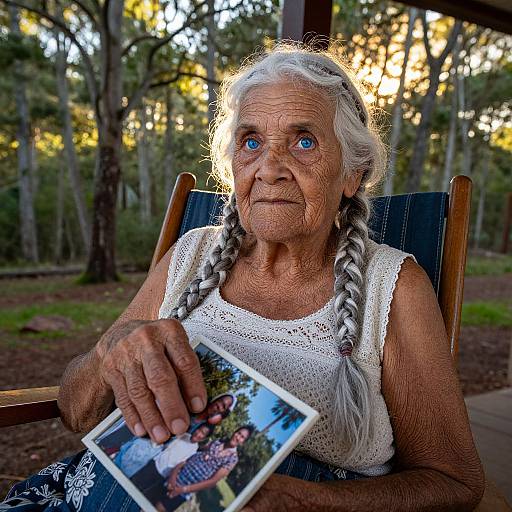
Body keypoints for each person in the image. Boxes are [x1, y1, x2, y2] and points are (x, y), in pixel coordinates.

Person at [3, 43, 484, 511]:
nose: (270, 169)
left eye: (303, 141)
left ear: (351, 174)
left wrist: (309, 502)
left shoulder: (391, 287)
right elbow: (76, 409)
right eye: (251, 142)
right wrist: (112, 349)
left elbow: (453, 481)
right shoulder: (192, 254)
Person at [159, 426, 254, 511]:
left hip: (183, 489)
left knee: (159, 508)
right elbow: (194, 454)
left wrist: (182, 490)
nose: (238, 437)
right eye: (238, 433)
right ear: (234, 432)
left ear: (243, 443)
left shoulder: (232, 459)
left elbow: (212, 482)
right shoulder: (217, 442)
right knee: (150, 497)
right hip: (175, 476)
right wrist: (174, 473)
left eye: (242, 437)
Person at [130, 422, 215, 501]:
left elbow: (180, 466)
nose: (198, 433)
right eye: (199, 429)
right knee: (132, 482)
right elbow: (167, 446)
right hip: (153, 463)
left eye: (203, 433)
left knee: (139, 493)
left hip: (162, 474)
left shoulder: (194, 451)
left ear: (204, 438)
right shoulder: (184, 435)